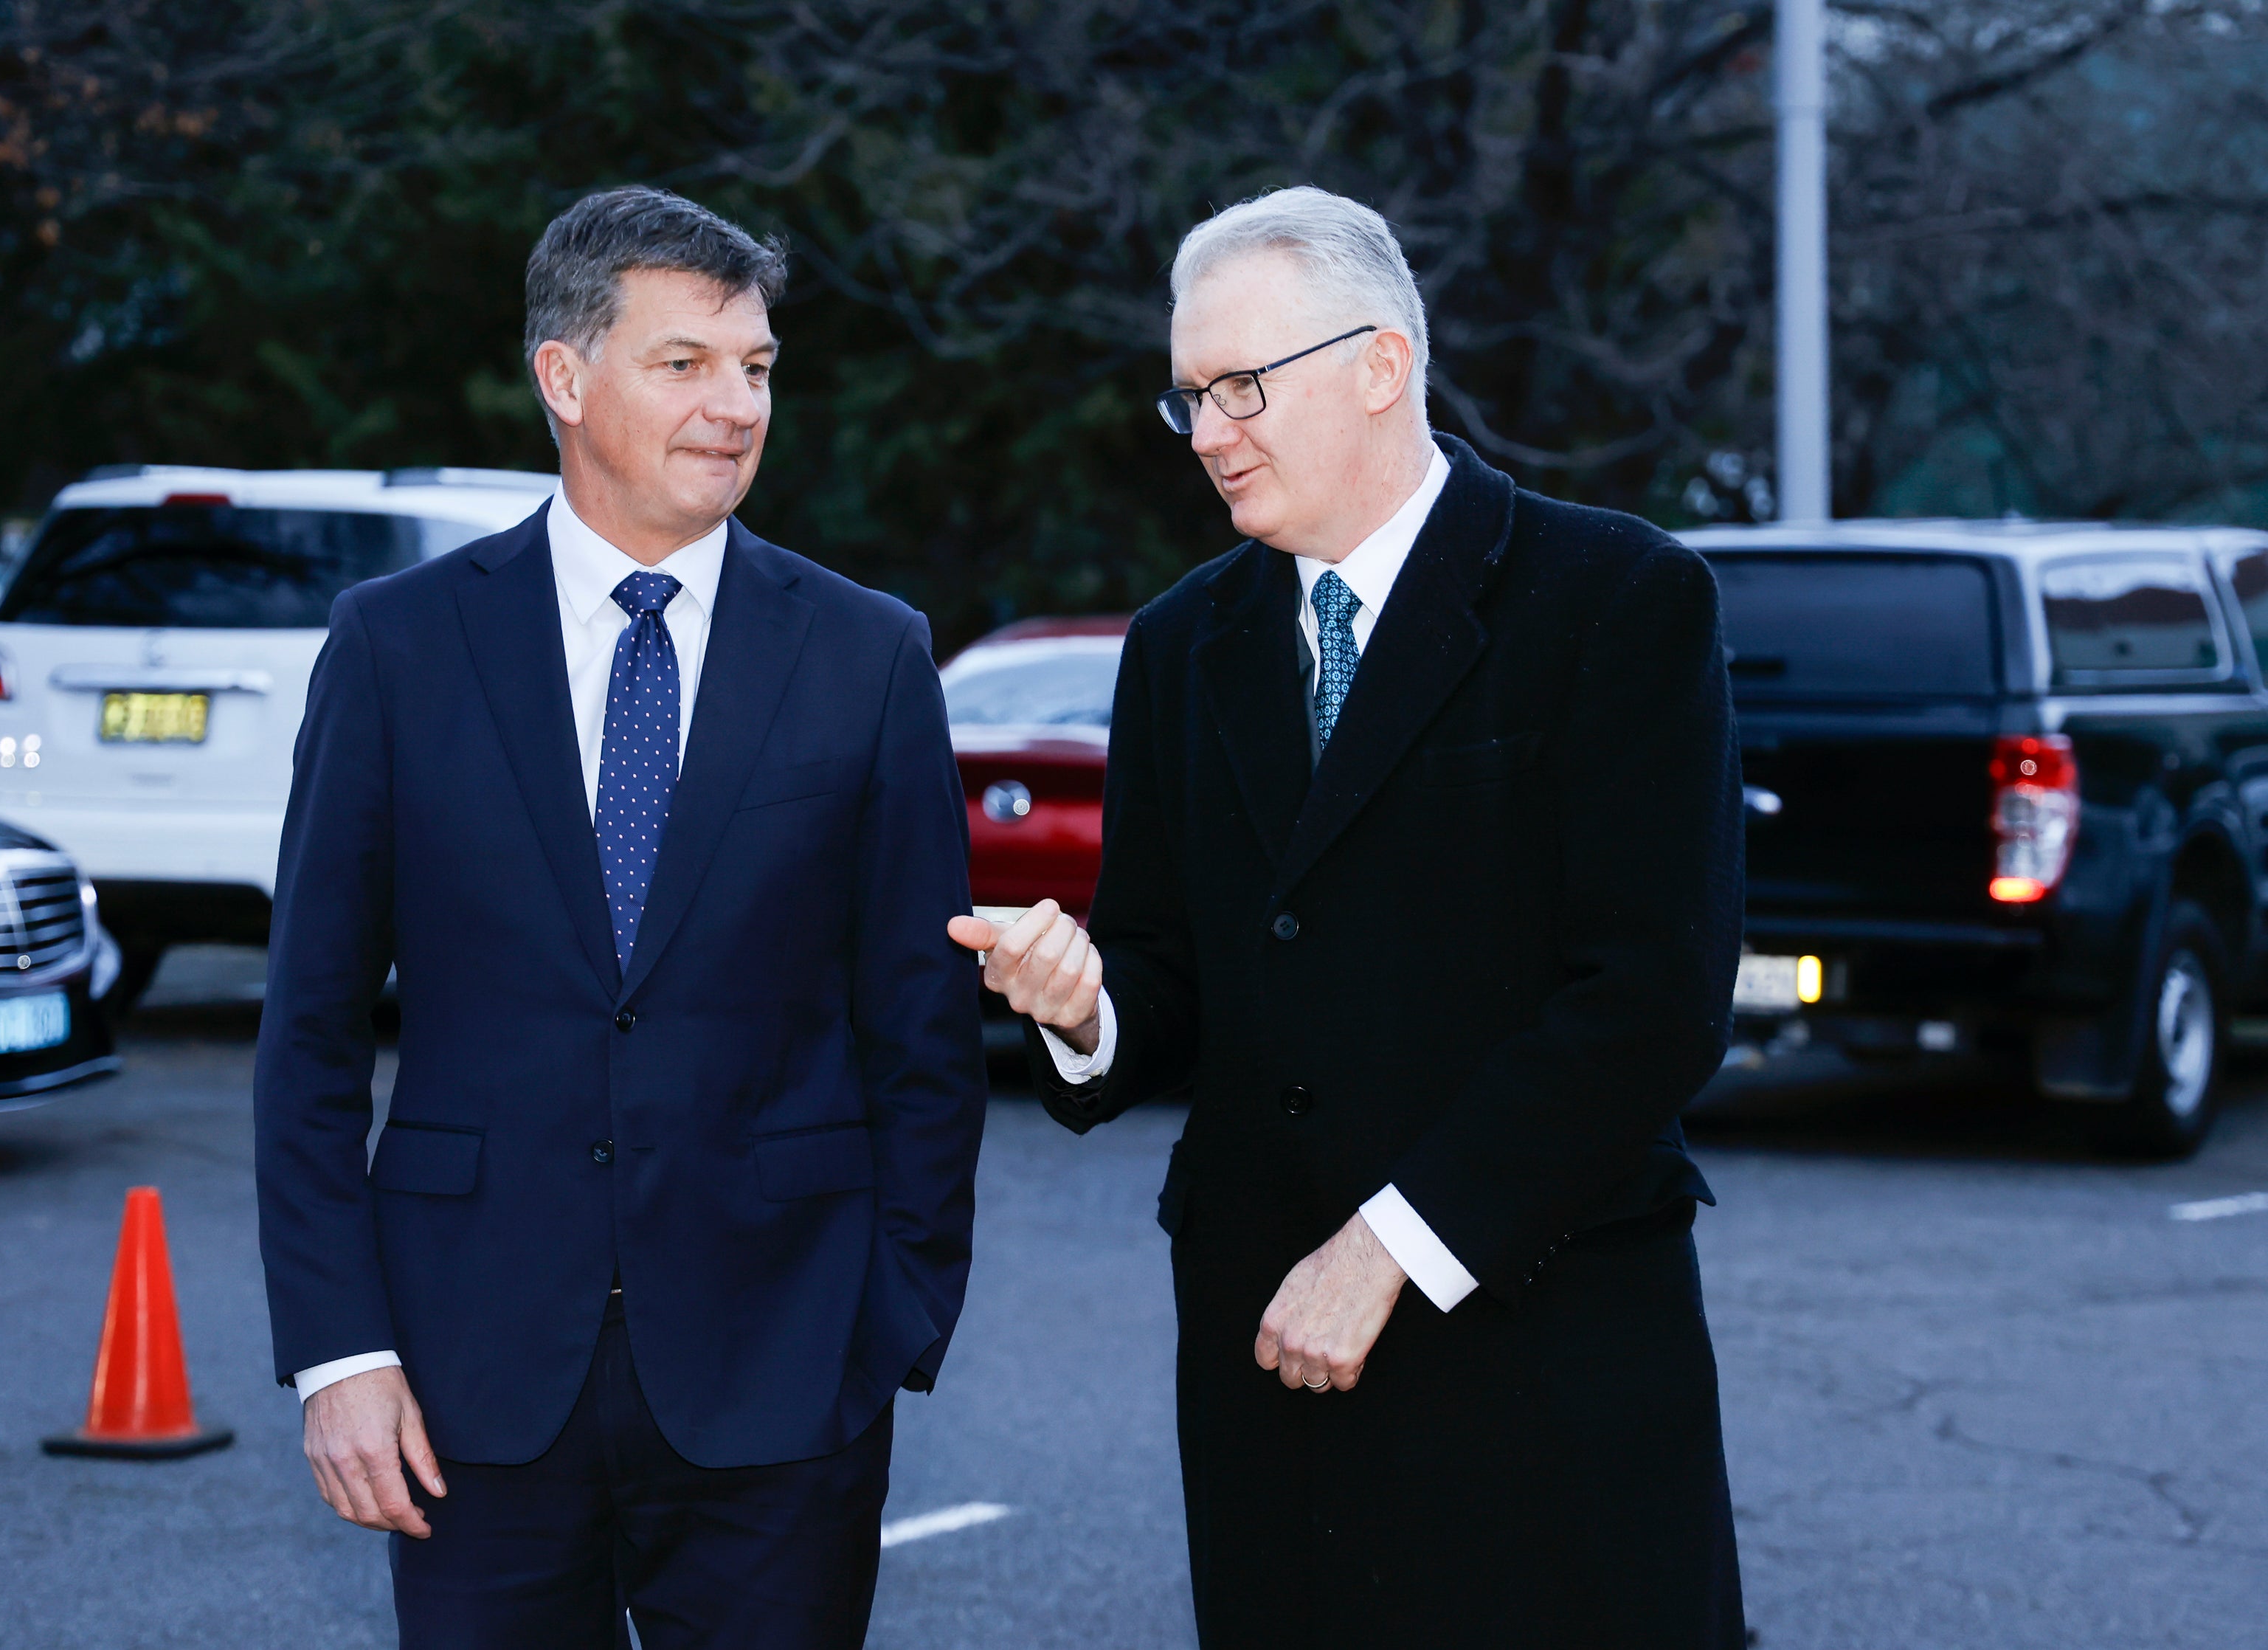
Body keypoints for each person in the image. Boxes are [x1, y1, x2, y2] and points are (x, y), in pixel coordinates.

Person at [952, 186, 1747, 1647]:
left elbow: (1653, 994)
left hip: (1544, 1349)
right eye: (1188, 395)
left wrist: (1392, 1239)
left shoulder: (1619, 598)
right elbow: (1165, 968)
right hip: (1270, 1377)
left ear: (1383, 364)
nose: (1207, 431)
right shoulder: (1182, 644)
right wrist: (1087, 1007)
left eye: (1243, 385)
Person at [256, 185, 987, 1649]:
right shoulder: (399, 648)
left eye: (758, 366)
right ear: (565, 378)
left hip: (786, 1375)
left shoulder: (867, 655)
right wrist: (340, 1346)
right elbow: (311, 1032)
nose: (737, 405)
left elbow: (924, 1029)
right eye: (687, 364)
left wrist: (888, 1322)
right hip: (466, 1383)